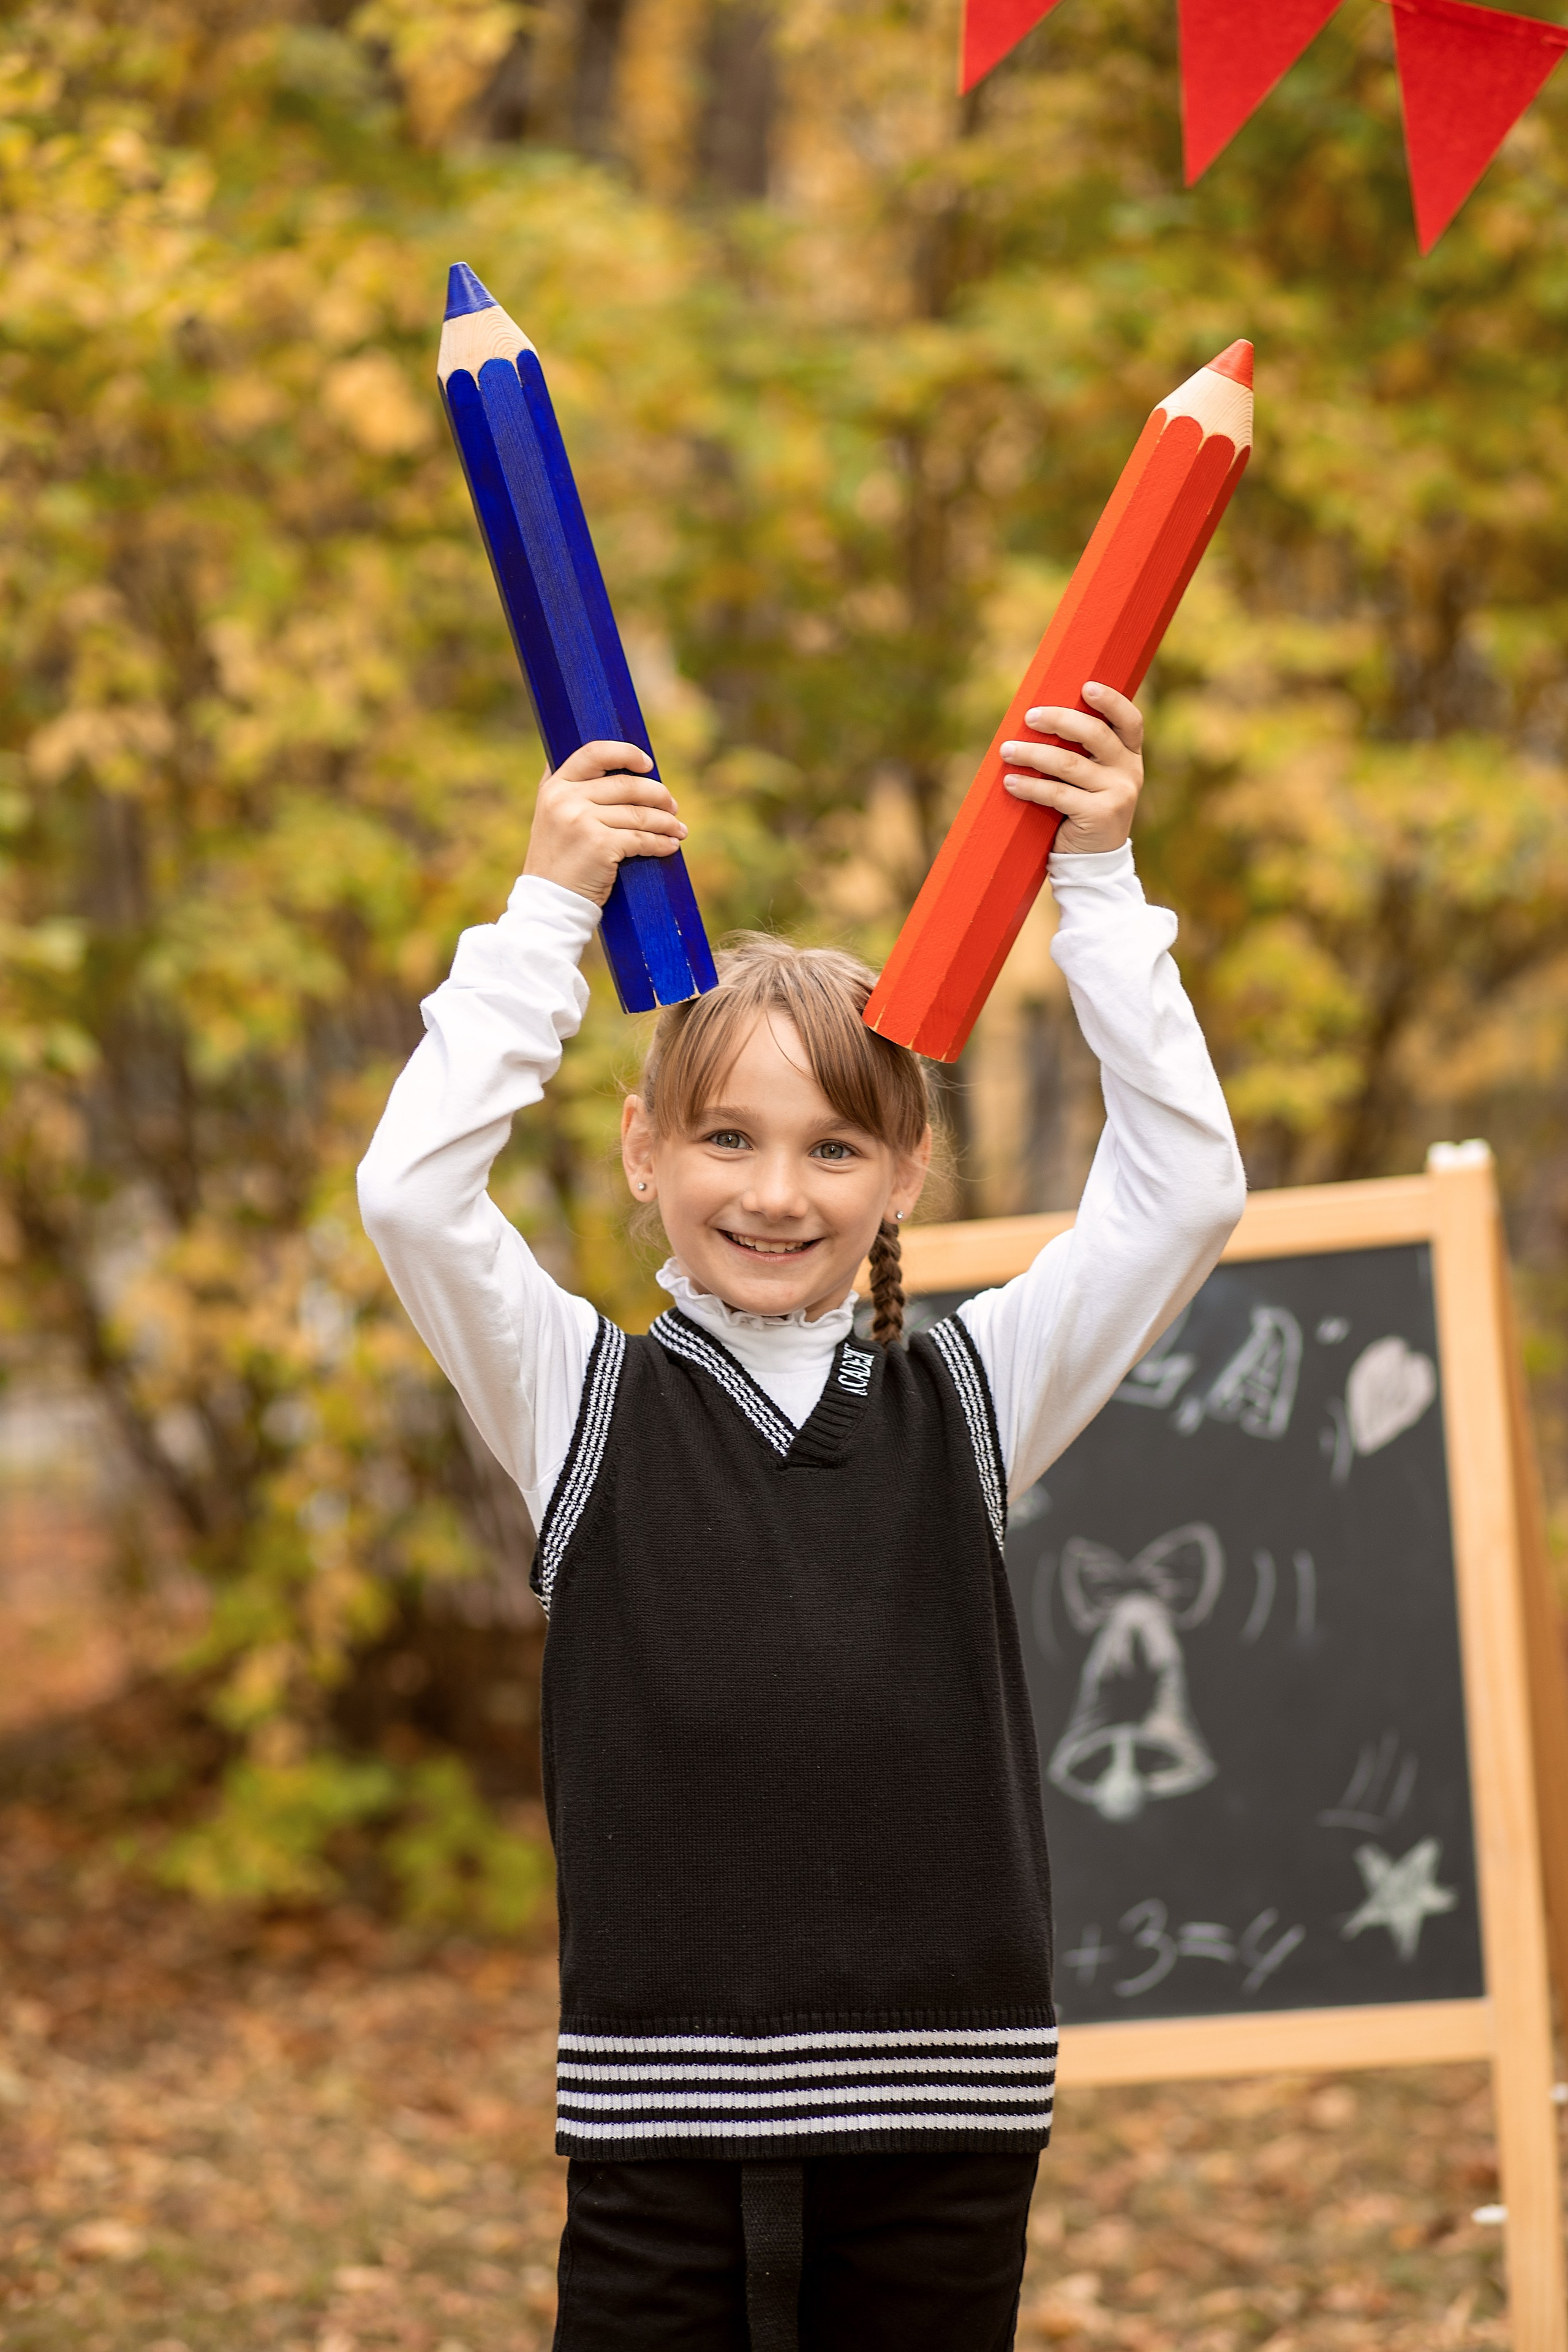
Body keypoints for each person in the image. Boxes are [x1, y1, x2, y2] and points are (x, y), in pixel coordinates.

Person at [358, 682, 1246, 2352]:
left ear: (907, 1176)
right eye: (728, 1138)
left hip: (947, 2116)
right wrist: (550, 908)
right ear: (642, 1151)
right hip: (660, 2119)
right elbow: (411, 1192)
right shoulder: (580, 1401)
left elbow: (1187, 1192)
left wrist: (1102, 888)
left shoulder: (973, 1397)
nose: (776, 1191)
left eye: (837, 1146)